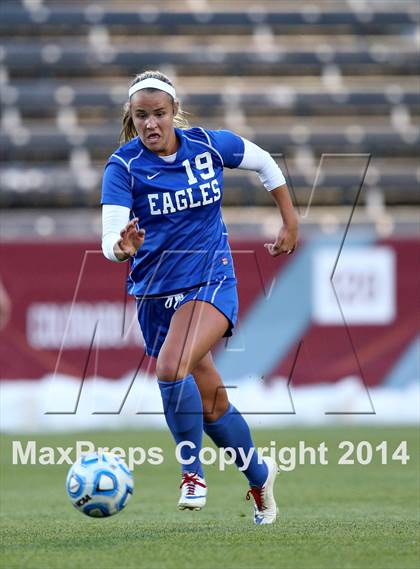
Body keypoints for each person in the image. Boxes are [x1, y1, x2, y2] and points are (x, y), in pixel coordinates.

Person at [101, 70, 298, 525]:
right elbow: (110, 236)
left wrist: (290, 221)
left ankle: (192, 473)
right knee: (210, 405)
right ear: (132, 118)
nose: (151, 124)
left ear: (174, 113)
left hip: (211, 278)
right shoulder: (123, 166)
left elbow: (266, 162)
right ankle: (261, 477)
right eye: (141, 116)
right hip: (155, 292)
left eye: (159, 114)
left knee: (171, 368)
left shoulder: (209, 146)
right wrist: (120, 249)